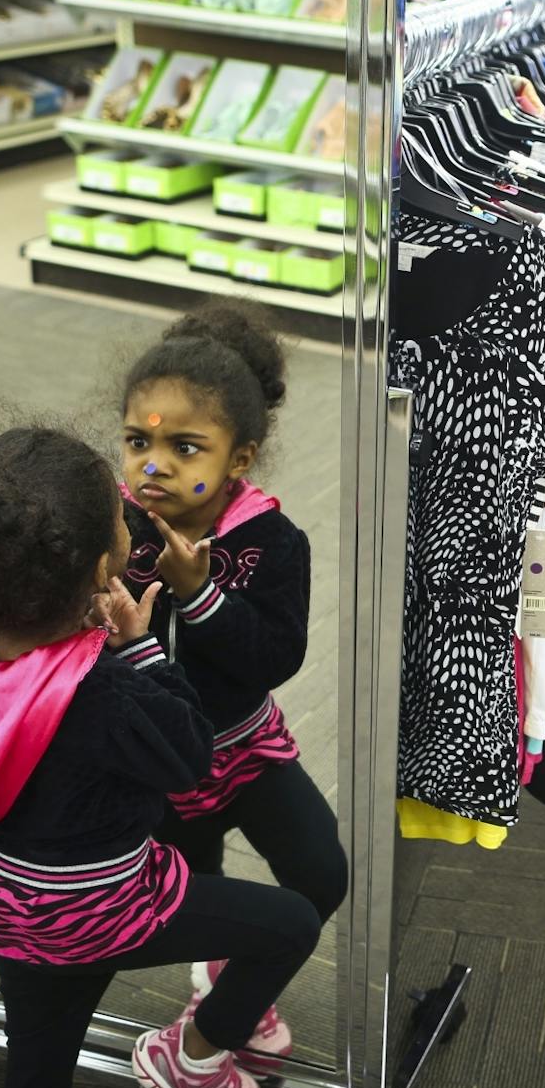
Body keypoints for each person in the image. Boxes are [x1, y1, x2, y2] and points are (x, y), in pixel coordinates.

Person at [0, 427, 328, 1088]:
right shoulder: (101, 690)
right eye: (117, 521)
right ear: (97, 563)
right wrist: (141, 647)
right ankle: (195, 1057)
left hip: (11, 905)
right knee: (292, 924)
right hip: (108, 908)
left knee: (37, 1067)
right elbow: (188, 757)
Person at [117, 302, 344, 1050]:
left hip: (247, 749)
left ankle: (208, 1034)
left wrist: (199, 595)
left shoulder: (272, 542)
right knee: (190, 900)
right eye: (137, 442)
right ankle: (219, 993)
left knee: (321, 873)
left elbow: (275, 657)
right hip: (158, 764)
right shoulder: (110, 531)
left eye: (185, 448)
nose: (154, 465)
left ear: (237, 460)